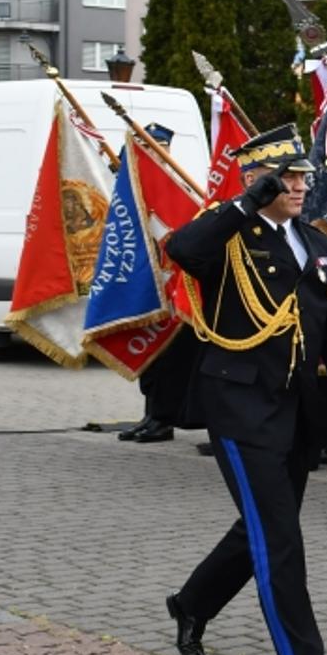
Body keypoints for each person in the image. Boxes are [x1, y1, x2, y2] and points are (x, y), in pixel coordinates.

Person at [160, 125, 327, 655]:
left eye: (303, 175)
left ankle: (193, 603)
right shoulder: (230, 236)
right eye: (287, 177)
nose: (301, 186)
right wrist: (245, 202)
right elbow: (182, 250)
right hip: (241, 406)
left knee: (259, 528)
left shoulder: (316, 242)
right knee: (279, 539)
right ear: (258, 179)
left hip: (299, 409)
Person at [120, 123, 196, 446]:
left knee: (168, 359)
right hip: (147, 285)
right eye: (147, 147)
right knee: (149, 360)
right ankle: (150, 414)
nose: (153, 152)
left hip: (172, 284)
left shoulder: (177, 186)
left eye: (158, 147)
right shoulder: (136, 186)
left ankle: (163, 420)